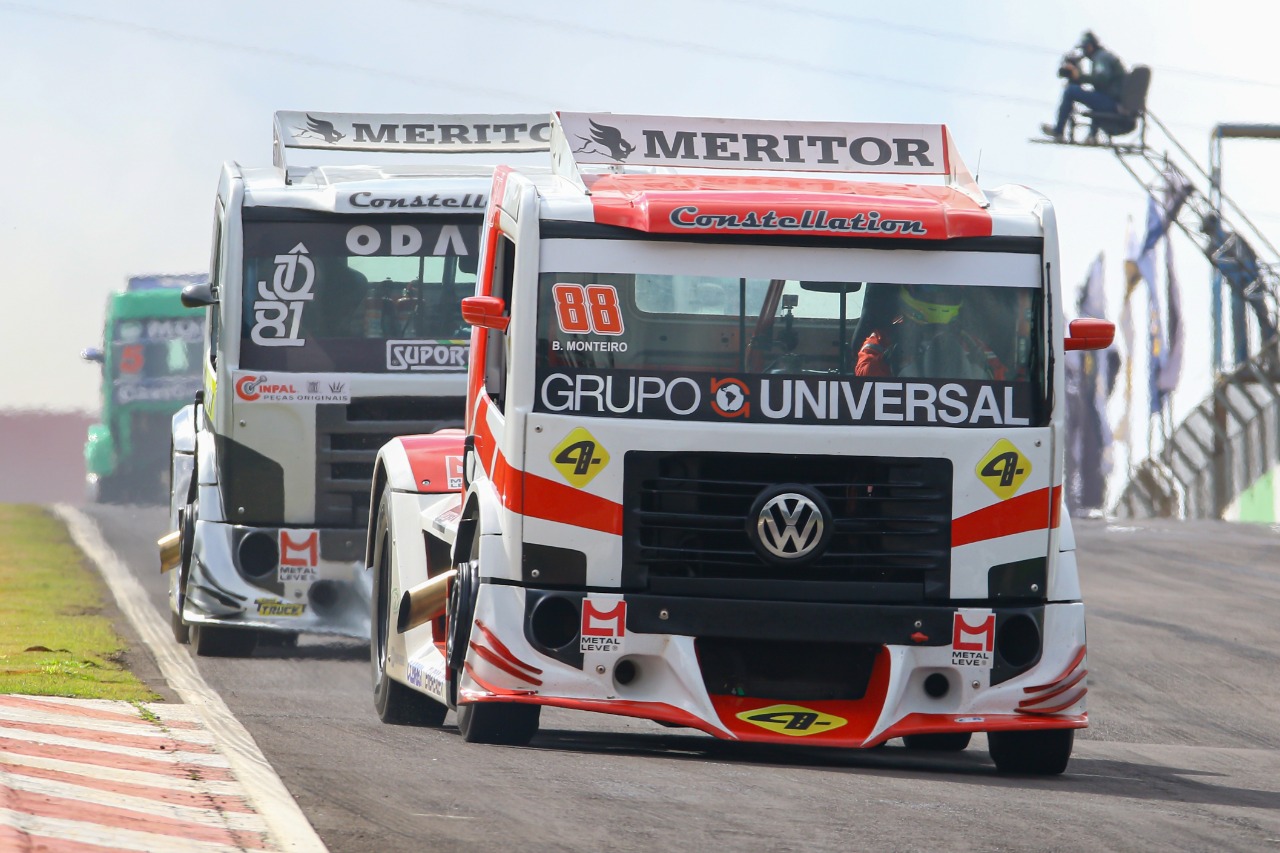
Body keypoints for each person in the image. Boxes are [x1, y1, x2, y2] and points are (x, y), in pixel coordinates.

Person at [855, 284, 1007, 380]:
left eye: (947, 291)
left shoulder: (969, 340)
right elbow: (861, 373)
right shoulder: (884, 336)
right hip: (901, 407)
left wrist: (979, 363)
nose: (939, 296)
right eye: (930, 288)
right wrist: (888, 359)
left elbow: (1001, 378)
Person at [1041, 31, 1126, 143]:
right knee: (1095, 96)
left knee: (1071, 91)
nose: (1083, 52)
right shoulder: (1103, 57)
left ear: (1090, 46)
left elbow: (1102, 79)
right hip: (1113, 102)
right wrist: (1080, 78)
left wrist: (1079, 76)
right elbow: (1100, 86)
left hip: (1112, 103)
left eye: (1084, 49)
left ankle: (1058, 131)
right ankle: (1092, 136)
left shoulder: (1101, 57)